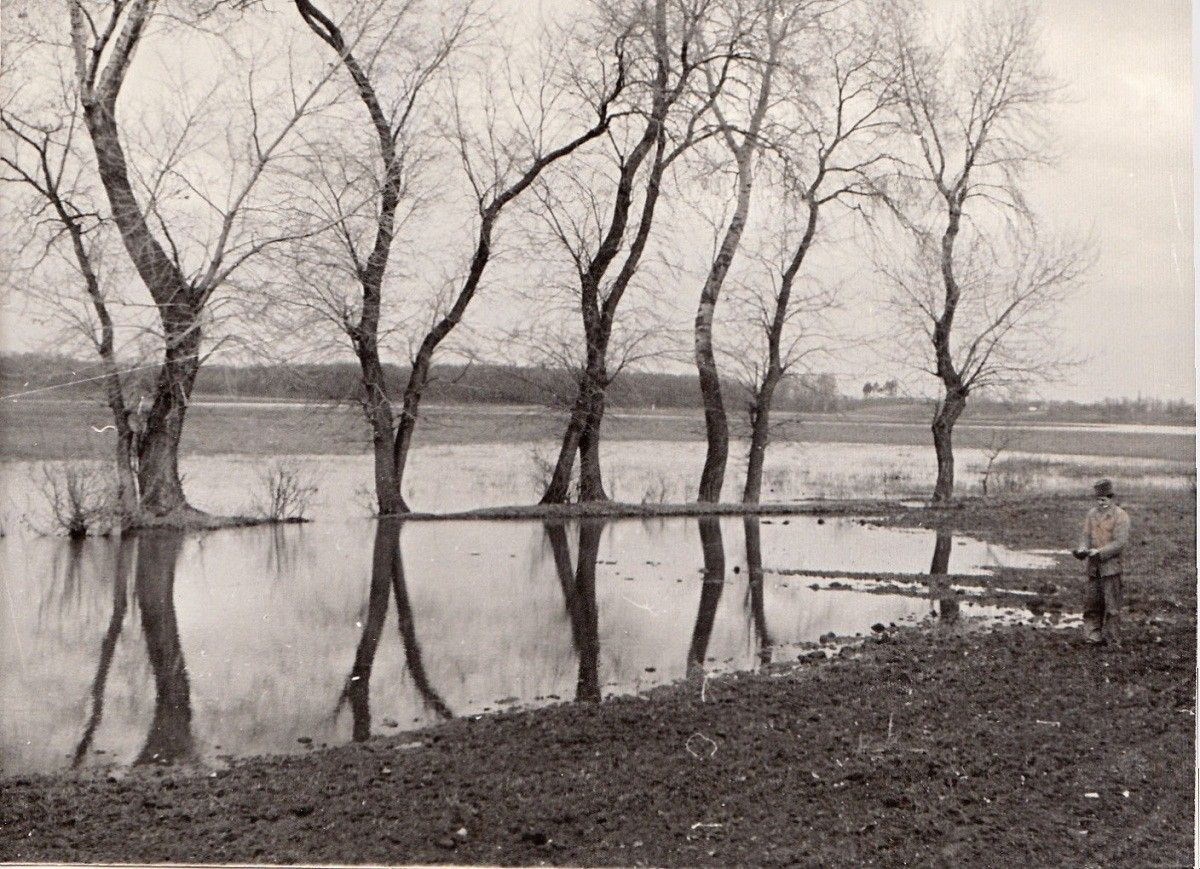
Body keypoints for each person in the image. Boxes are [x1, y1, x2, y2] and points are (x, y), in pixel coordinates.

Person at [1072, 479, 1131, 646]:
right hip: (1093, 567)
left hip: (1111, 567)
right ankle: (1093, 636)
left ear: (1111, 498)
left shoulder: (1121, 516)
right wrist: (1083, 549)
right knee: (1092, 603)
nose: (1101, 503)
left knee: (1112, 607)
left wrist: (1100, 552)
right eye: (1098, 500)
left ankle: (1113, 640)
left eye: (1104, 500)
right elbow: (1086, 536)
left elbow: (1120, 543)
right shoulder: (1091, 514)